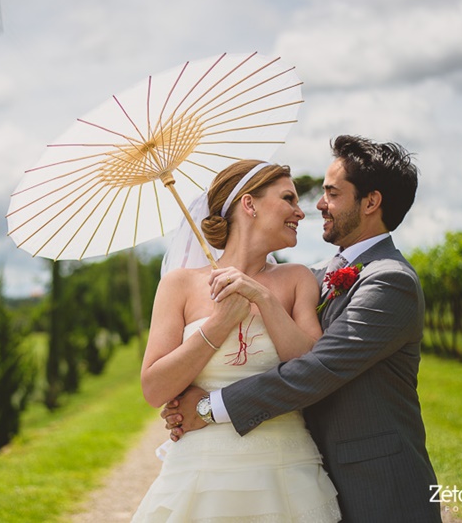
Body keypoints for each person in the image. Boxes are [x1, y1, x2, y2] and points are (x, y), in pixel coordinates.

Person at [162, 135, 442, 523]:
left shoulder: (390, 282)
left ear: (371, 202)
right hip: (311, 470)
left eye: (331, 193)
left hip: (378, 484)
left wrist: (210, 407)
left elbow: (317, 369)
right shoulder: (314, 276)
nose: (319, 204)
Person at [132, 160, 341, 522]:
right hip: (200, 473)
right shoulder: (178, 285)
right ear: (250, 204)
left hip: (284, 468)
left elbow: (311, 366)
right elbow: (154, 388)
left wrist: (262, 298)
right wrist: (219, 324)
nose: (300, 211)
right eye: (288, 198)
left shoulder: (297, 279)